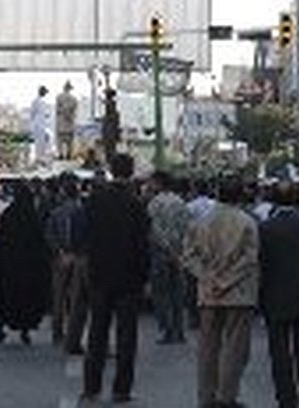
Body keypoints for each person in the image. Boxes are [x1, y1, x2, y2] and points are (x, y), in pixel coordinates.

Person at [183, 178, 259, 408]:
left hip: (208, 293)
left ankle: (206, 397)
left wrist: (208, 278)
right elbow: (250, 258)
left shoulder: (200, 222)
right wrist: (227, 281)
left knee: (208, 349)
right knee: (235, 349)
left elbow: (188, 256)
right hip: (239, 293)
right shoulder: (247, 222)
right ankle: (227, 396)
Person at [81, 153, 150, 404]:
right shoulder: (136, 204)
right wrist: (145, 276)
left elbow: (86, 236)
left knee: (97, 332)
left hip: (99, 275)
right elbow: (142, 245)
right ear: (131, 172)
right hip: (129, 278)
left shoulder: (94, 201)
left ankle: (91, 386)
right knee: (126, 336)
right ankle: (121, 389)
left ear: (111, 170)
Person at [259, 183, 299, 408]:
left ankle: (287, 399)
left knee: (279, 354)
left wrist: (260, 299)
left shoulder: (265, 228)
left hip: (275, 297)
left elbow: (262, 266)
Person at [0, 183, 51, 344]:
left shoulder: (7, 214)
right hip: (28, 267)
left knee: (6, 296)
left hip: (8, 264)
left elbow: (1, 237)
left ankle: (1, 327)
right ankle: (25, 330)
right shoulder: (33, 216)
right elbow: (40, 241)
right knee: (26, 298)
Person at [45, 172, 89, 354]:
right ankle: (73, 334)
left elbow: (49, 235)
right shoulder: (84, 212)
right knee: (76, 299)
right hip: (79, 259)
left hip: (60, 259)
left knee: (58, 297)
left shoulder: (55, 212)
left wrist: (60, 252)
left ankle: (57, 332)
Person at [147, 171, 190, 344]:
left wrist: (167, 248)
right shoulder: (180, 202)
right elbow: (186, 228)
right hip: (179, 253)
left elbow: (154, 230)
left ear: (158, 183)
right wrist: (178, 251)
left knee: (161, 293)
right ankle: (179, 330)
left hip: (161, 253)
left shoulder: (155, 203)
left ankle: (167, 329)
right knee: (177, 293)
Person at [30, 86, 53, 167]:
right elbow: (32, 113)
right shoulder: (35, 101)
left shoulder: (43, 102)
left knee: (44, 142)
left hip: (43, 124)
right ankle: (39, 158)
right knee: (38, 143)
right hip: (38, 124)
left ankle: (42, 158)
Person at [56, 81, 78, 160]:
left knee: (60, 140)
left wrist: (63, 113)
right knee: (70, 140)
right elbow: (74, 110)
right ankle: (68, 154)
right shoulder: (74, 99)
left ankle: (61, 154)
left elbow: (57, 110)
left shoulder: (59, 97)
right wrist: (69, 115)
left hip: (61, 122)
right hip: (70, 122)